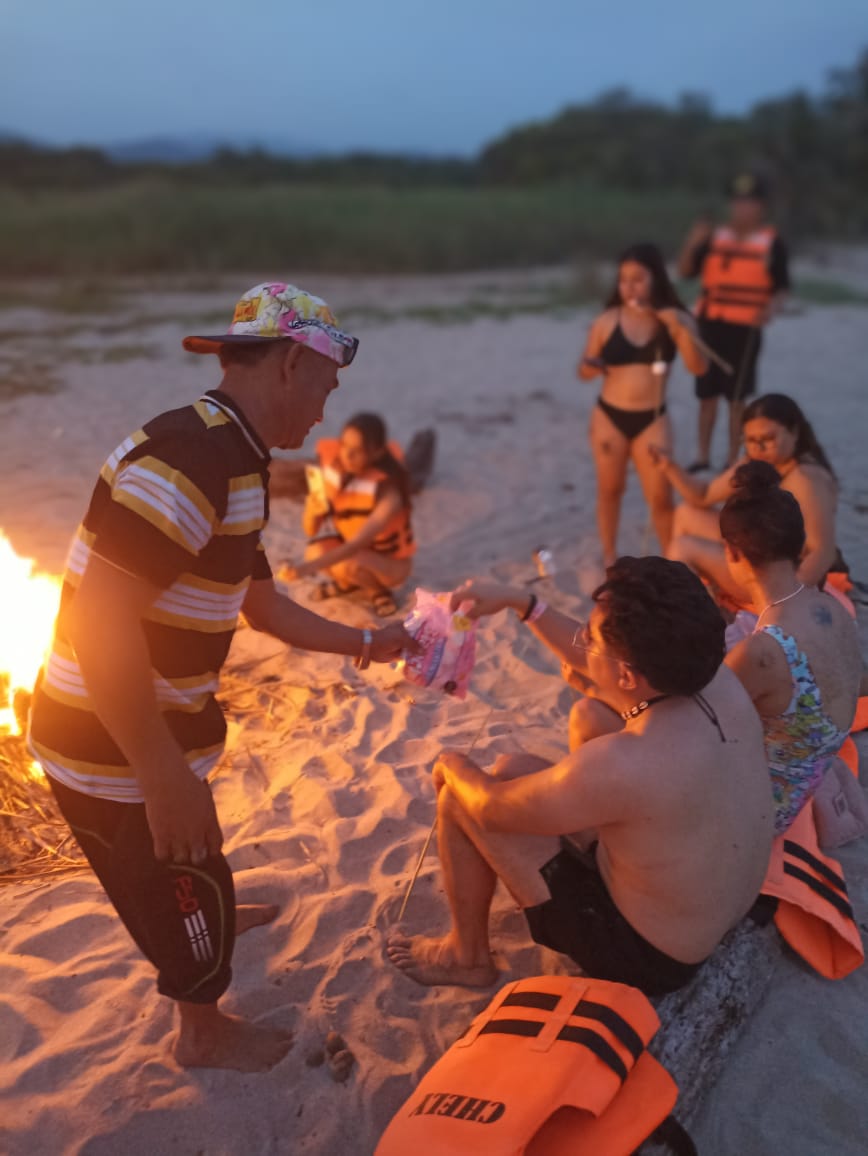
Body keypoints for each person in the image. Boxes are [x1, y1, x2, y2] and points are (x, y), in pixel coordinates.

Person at [27, 282, 418, 1073]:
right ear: (289, 365)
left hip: (149, 726)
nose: (325, 410)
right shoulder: (192, 463)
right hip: (109, 741)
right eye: (326, 385)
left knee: (197, 856)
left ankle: (214, 914)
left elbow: (265, 609)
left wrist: (374, 642)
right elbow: (97, 624)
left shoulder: (236, 455)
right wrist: (161, 769)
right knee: (180, 887)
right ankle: (200, 1031)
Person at [386, 557, 774, 997]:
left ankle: (467, 957)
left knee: (462, 796)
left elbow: (490, 809)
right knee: (544, 747)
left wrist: (450, 764)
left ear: (628, 673)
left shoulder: (626, 762)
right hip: (720, 902)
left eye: (590, 641)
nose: (581, 644)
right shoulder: (716, 678)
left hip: (654, 956)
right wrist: (524, 604)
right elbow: (602, 658)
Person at [719, 462, 860, 833]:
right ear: (798, 544)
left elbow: (702, 724)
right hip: (806, 780)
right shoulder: (834, 608)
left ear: (733, 554)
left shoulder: (761, 653)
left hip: (762, 812)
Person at [578, 242, 708, 567]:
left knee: (661, 497)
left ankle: (671, 559)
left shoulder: (675, 319)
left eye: (638, 278)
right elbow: (583, 370)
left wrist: (679, 328)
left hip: (653, 418)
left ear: (656, 279)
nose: (629, 287)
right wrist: (592, 367)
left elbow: (699, 367)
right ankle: (610, 554)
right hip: (610, 415)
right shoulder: (607, 321)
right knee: (611, 489)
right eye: (624, 280)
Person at [655, 394, 841, 603]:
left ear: (794, 432)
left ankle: (681, 607)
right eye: (751, 440)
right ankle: (687, 596)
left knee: (683, 547)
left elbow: (823, 552)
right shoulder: (756, 461)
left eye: (768, 439)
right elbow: (704, 495)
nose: (759, 448)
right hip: (758, 552)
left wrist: (784, 602)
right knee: (686, 513)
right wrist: (668, 466)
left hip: (784, 577)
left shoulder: (806, 479)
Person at [678, 172, 791, 471]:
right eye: (738, 202)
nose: (743, 209)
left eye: (750, 203)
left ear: (761, 207)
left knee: (738, 399)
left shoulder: (771, 242)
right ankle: (702, 456)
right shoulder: (715, 237)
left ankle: (732, 458)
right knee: (706, 396)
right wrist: (693, 240)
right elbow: (686, 270)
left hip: (745, 329)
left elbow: (782, 286)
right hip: (709, 325)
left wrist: (772, 308)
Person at [280, 412, 415, 617]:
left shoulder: (390, 491)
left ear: (377, 453)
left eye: (358, 451)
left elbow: (356, 545)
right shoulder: (336, 471)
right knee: (314, 551)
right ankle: (347, 584)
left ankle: (377, 590)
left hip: (389, 566)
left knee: (348, 562)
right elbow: (310, 530)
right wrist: (312, 510)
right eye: (344, 445)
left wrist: (304, 570)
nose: (347, 455)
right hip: (355, 553)